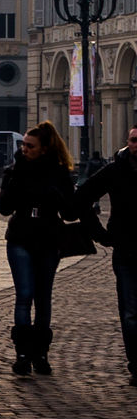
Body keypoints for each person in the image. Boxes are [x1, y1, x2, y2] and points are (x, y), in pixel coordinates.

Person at [0, 123, 76, 377]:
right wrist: (14, 179)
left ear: (44, 149)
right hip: (20, 236)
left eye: (30, 146)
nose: (24, 149)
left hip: (47, 238)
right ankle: (22, 353)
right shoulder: (14, 170)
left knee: (43, 297)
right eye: (23, 145)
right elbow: (3, 207)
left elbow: (69, 211)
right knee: (24, 294)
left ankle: (40, 353)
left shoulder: (59, 173)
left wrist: (57, 194)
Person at [77, 120, 137, 388]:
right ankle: (136, 365)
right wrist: (99, 233)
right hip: (126, 250)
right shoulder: (115, 170)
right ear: (128, 142)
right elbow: (83, 196)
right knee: (131, 313)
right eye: (134, 140)